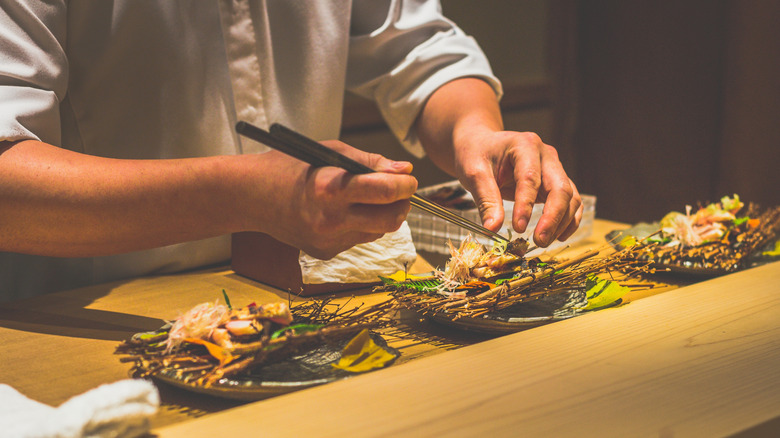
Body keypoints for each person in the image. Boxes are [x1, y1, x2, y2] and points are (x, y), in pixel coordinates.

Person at [0, 0, 581, 301]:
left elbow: (417, 47)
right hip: (76, 314)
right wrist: (243, 195)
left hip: (294, 301)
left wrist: (475, 133)